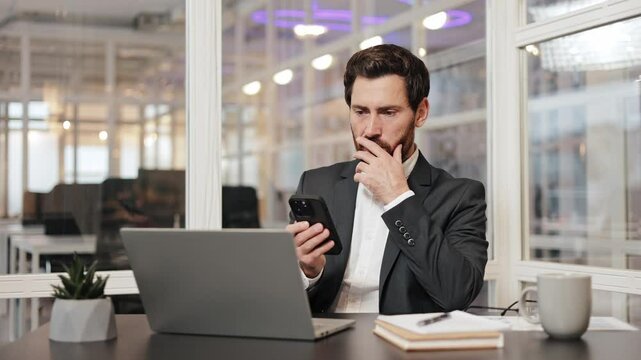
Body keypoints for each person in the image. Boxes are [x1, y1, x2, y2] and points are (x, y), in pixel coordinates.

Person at [286, 44, 488, 315]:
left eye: (388, 112)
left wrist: (397, 198)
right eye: (360, 112)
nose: (370, 130)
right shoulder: (315, 184)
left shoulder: (461, 197)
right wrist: (309, 272)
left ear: (421, 112)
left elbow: (456, 294)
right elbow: (286, 301)